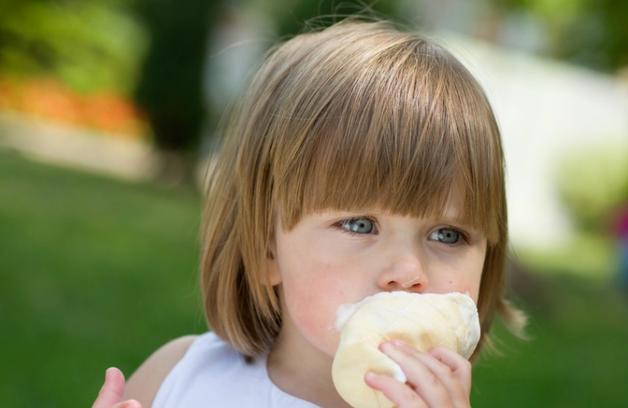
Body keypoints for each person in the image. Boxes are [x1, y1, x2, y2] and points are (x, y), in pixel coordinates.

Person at [92, 18, 526, 408]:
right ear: (266, 249)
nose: (409, 270)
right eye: (360, 224)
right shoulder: (179, 376)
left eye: (448, 235)